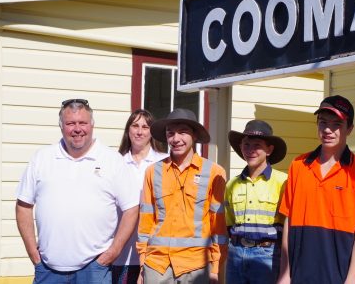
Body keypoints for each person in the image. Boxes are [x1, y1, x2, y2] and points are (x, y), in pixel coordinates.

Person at [15, 99, 139, 283]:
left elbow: (131, 209)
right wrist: (34, 254)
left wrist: (112, 253)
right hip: (48, 269)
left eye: (83, 123)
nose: (77, 128)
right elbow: (23, 206)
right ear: (61, 126)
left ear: (92, 125)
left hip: (94, 269)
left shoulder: (112, 160)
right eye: (70, 123)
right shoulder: (42, 159)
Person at [277, 95, 355, 284]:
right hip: (299, 277)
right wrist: (285, 274)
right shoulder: (298, 166)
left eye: (337, 124)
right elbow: (288, 221)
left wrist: (352, 280)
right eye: (322, 122)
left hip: (339, 278)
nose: (327, 130)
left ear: (350, 129)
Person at [137, 108, 227, 284]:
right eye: (171, 133)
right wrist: (143, 264)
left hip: (196, 266)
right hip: (157, 265)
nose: (176, 139)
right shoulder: (152, 172)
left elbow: (219, 226)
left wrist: (215, 268)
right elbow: (146, 222)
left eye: (183, 132)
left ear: (194, 136)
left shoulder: (215, 172)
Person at [225, 120, 288, 284]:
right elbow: (228, 223)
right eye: (246, 144)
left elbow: (290, 226)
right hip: (235, 254)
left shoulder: (283, 182)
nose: (250, 150)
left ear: (269, 149)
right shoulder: (232, 184)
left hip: (267, 254)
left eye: (257, 145)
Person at [113, 109, 168, 284]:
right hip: (120, 254)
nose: (139, 131)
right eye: (135, 125)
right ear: (127, 130)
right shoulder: (115, 162)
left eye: (145, 127)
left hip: (154, 254)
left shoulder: (164, 162)